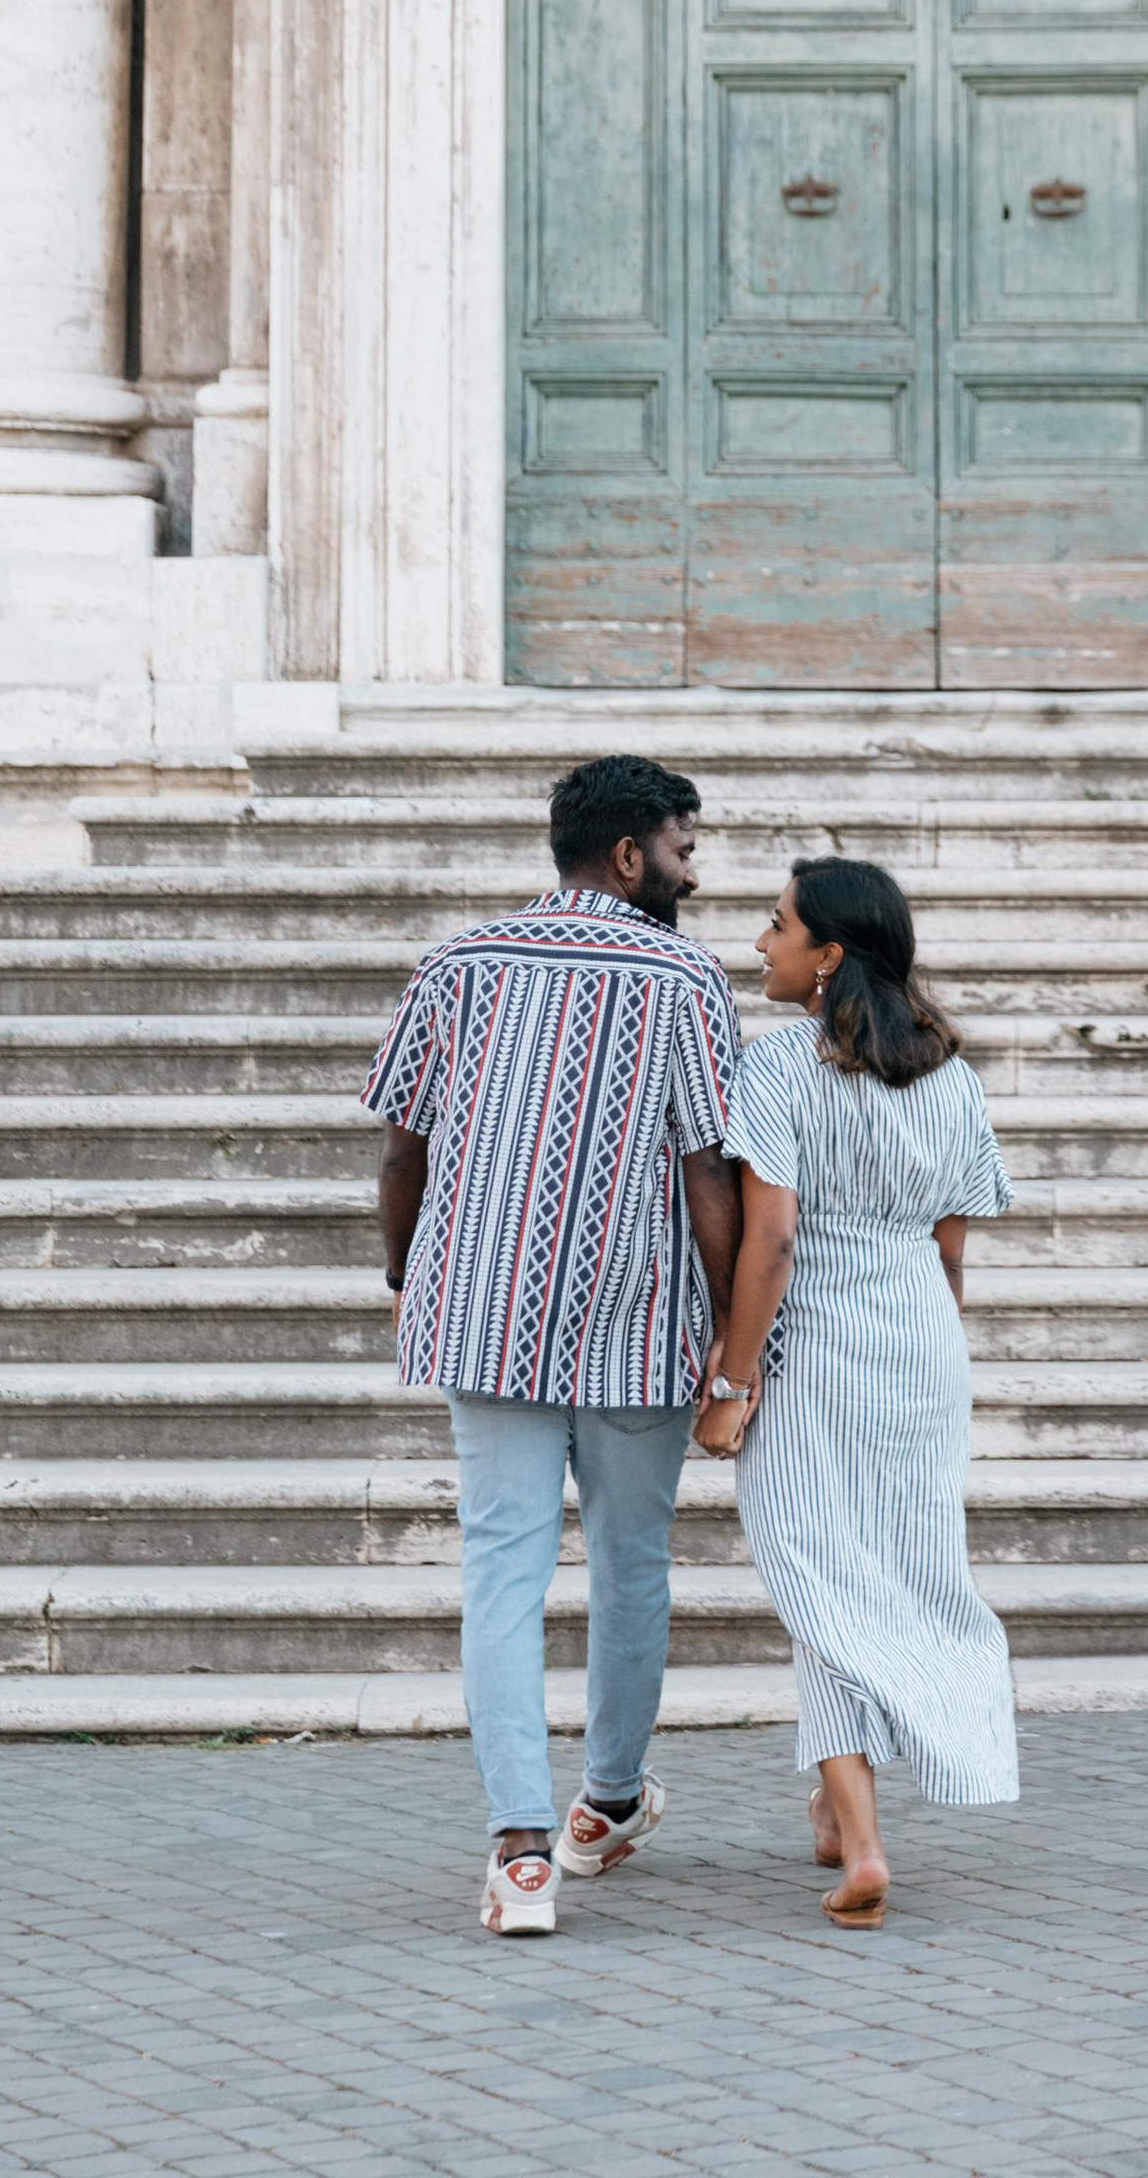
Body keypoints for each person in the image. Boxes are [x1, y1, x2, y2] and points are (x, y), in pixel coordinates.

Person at [365, 753, 742, 1938]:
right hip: (636, 1319)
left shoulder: (456, 965)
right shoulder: (684, 976)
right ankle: (608, 1804)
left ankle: (519, 1853)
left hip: (483, 1310)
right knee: (633, 1566)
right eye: (683, 848)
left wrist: (402, 1274)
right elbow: (707, 1176)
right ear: (629, 855)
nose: (692, 870)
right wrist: (735, 1336)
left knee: (500, 1574)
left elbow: (402, 1150)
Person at [694, 854, 1018, 1927]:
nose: (759, 940)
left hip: (817, 1342)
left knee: (818, 1577)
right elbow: (952, 1249)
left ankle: (865, 1848)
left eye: (777, 924)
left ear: (827, 956)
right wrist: (933, 1352)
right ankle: (835, 1817)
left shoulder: (780, 1068)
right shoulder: (952, 1073)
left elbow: (773, 1239)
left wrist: (733, 1378)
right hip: (922, 1339)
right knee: (897, 1565)